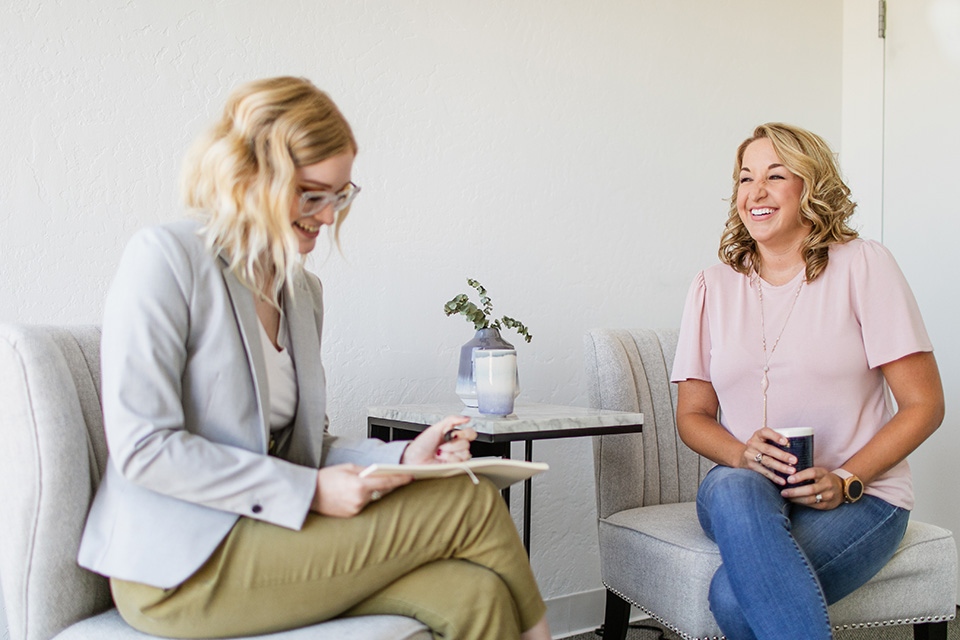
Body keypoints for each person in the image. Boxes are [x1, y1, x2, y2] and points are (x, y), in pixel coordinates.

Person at [77, 76, 550, 640]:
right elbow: (145, 449)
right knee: (466, 503)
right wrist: (308, 492)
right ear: (251, 176)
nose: (328, 216)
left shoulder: (302, 294)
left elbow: (304, 446)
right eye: (311, 193)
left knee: (476, 593)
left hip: (272, 537)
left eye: (341, 195)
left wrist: (403, 458)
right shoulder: (166, 259)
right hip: (178, 567)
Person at [671, 123, 944, 639]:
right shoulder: (712, 286)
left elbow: (924, 404)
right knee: (732, 485)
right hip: (746, 494)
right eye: (745, 178)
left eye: (776, 175)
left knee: (731, 597)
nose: (756, 192)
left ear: (809, 186)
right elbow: (692, 416)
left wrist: (847, 479)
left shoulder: (863, 265)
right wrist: (742, 454)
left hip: (865, 497)